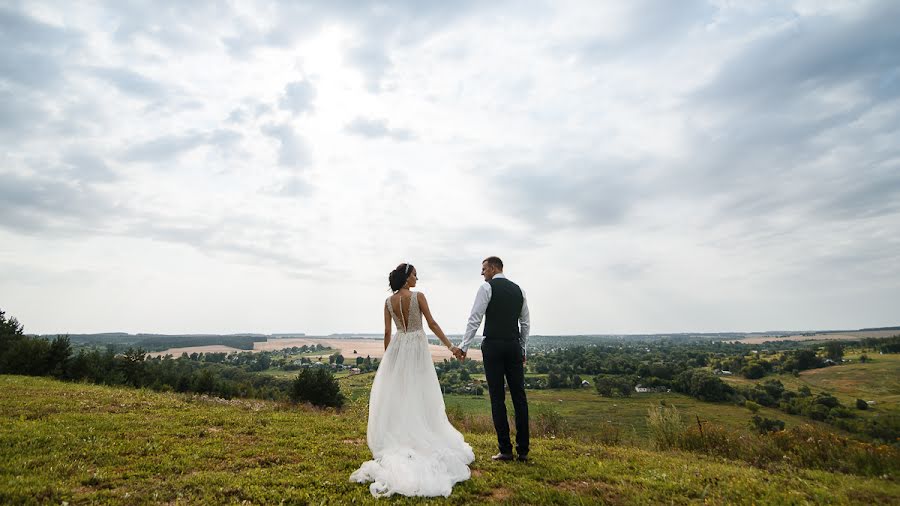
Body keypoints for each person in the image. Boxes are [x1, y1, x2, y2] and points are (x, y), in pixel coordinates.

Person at [350, 263, 475, 497]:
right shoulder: (418, 297)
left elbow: (388, 334)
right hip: (417, 347)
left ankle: (404, 434)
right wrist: (451, 347)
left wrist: (389, 361)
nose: (417, 278)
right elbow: (432, 323)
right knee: (420, 391)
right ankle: (419, 433)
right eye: (415, 274)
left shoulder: (388, 302)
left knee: (404, 392)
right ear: (407, 278)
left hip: (399, 347)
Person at [457, 256, 531, 461]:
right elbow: (525, 323)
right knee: (520, 397)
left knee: (497, 397)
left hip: (493, 346)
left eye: (483, 269)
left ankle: (505, 449)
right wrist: (522, 348)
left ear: (492, 268)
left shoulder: (487, 288)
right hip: (514, 346)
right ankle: (523, 450)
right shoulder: (519, 290)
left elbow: (475, 318)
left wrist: (464, 346)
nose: (482, 273)